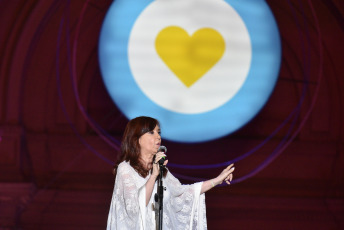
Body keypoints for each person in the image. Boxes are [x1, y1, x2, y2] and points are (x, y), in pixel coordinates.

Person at [106, 116, 235, 230]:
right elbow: (134, 208)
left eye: (159, 132)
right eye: (151, 132)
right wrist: (153, 176)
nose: (158, 136)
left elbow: (183, 193)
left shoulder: (162, 170)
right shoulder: (125, 169)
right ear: (137, 139)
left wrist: (217, 180)